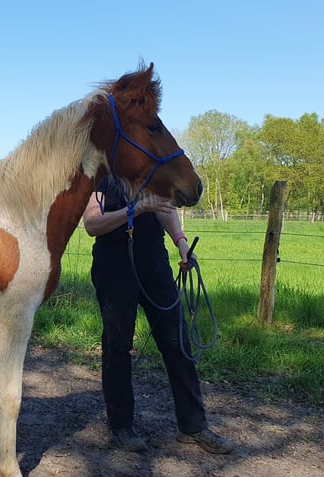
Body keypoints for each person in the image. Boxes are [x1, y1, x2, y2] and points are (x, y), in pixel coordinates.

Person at [82, 177, 233, 454]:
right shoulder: (104, 178)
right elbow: (92, 224)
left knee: (178, 342)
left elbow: (165, 208)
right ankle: (121, 426)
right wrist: (135, 209)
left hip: (155, 264)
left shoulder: (152, 173)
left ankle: (194, 427)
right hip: (114, 266)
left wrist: (181, 243)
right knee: (118, 346)